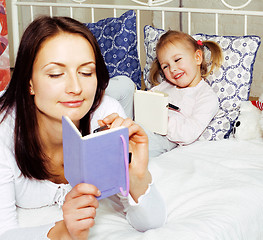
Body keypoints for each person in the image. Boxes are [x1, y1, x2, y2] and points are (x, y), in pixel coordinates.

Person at [0, 16, 166, 239]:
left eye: (86, 72)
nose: (76, 87)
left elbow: (152, 222)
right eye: (56, 74)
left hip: (103, 105)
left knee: (129, 101)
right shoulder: (4, 134)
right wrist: (62, 232)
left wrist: (136, 176)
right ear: (29, 82)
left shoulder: (106, 113)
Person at [147, 30, 223, 157]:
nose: (172, 69)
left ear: (197, 57)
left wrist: (160, 119)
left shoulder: (206, 96)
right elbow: (146, 101)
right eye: (165, 66)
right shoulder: (166, 86)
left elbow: (188, 133)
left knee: (134, 142)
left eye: (177, 60)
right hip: (140, 125)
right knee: (124, 84)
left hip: (164, 139)